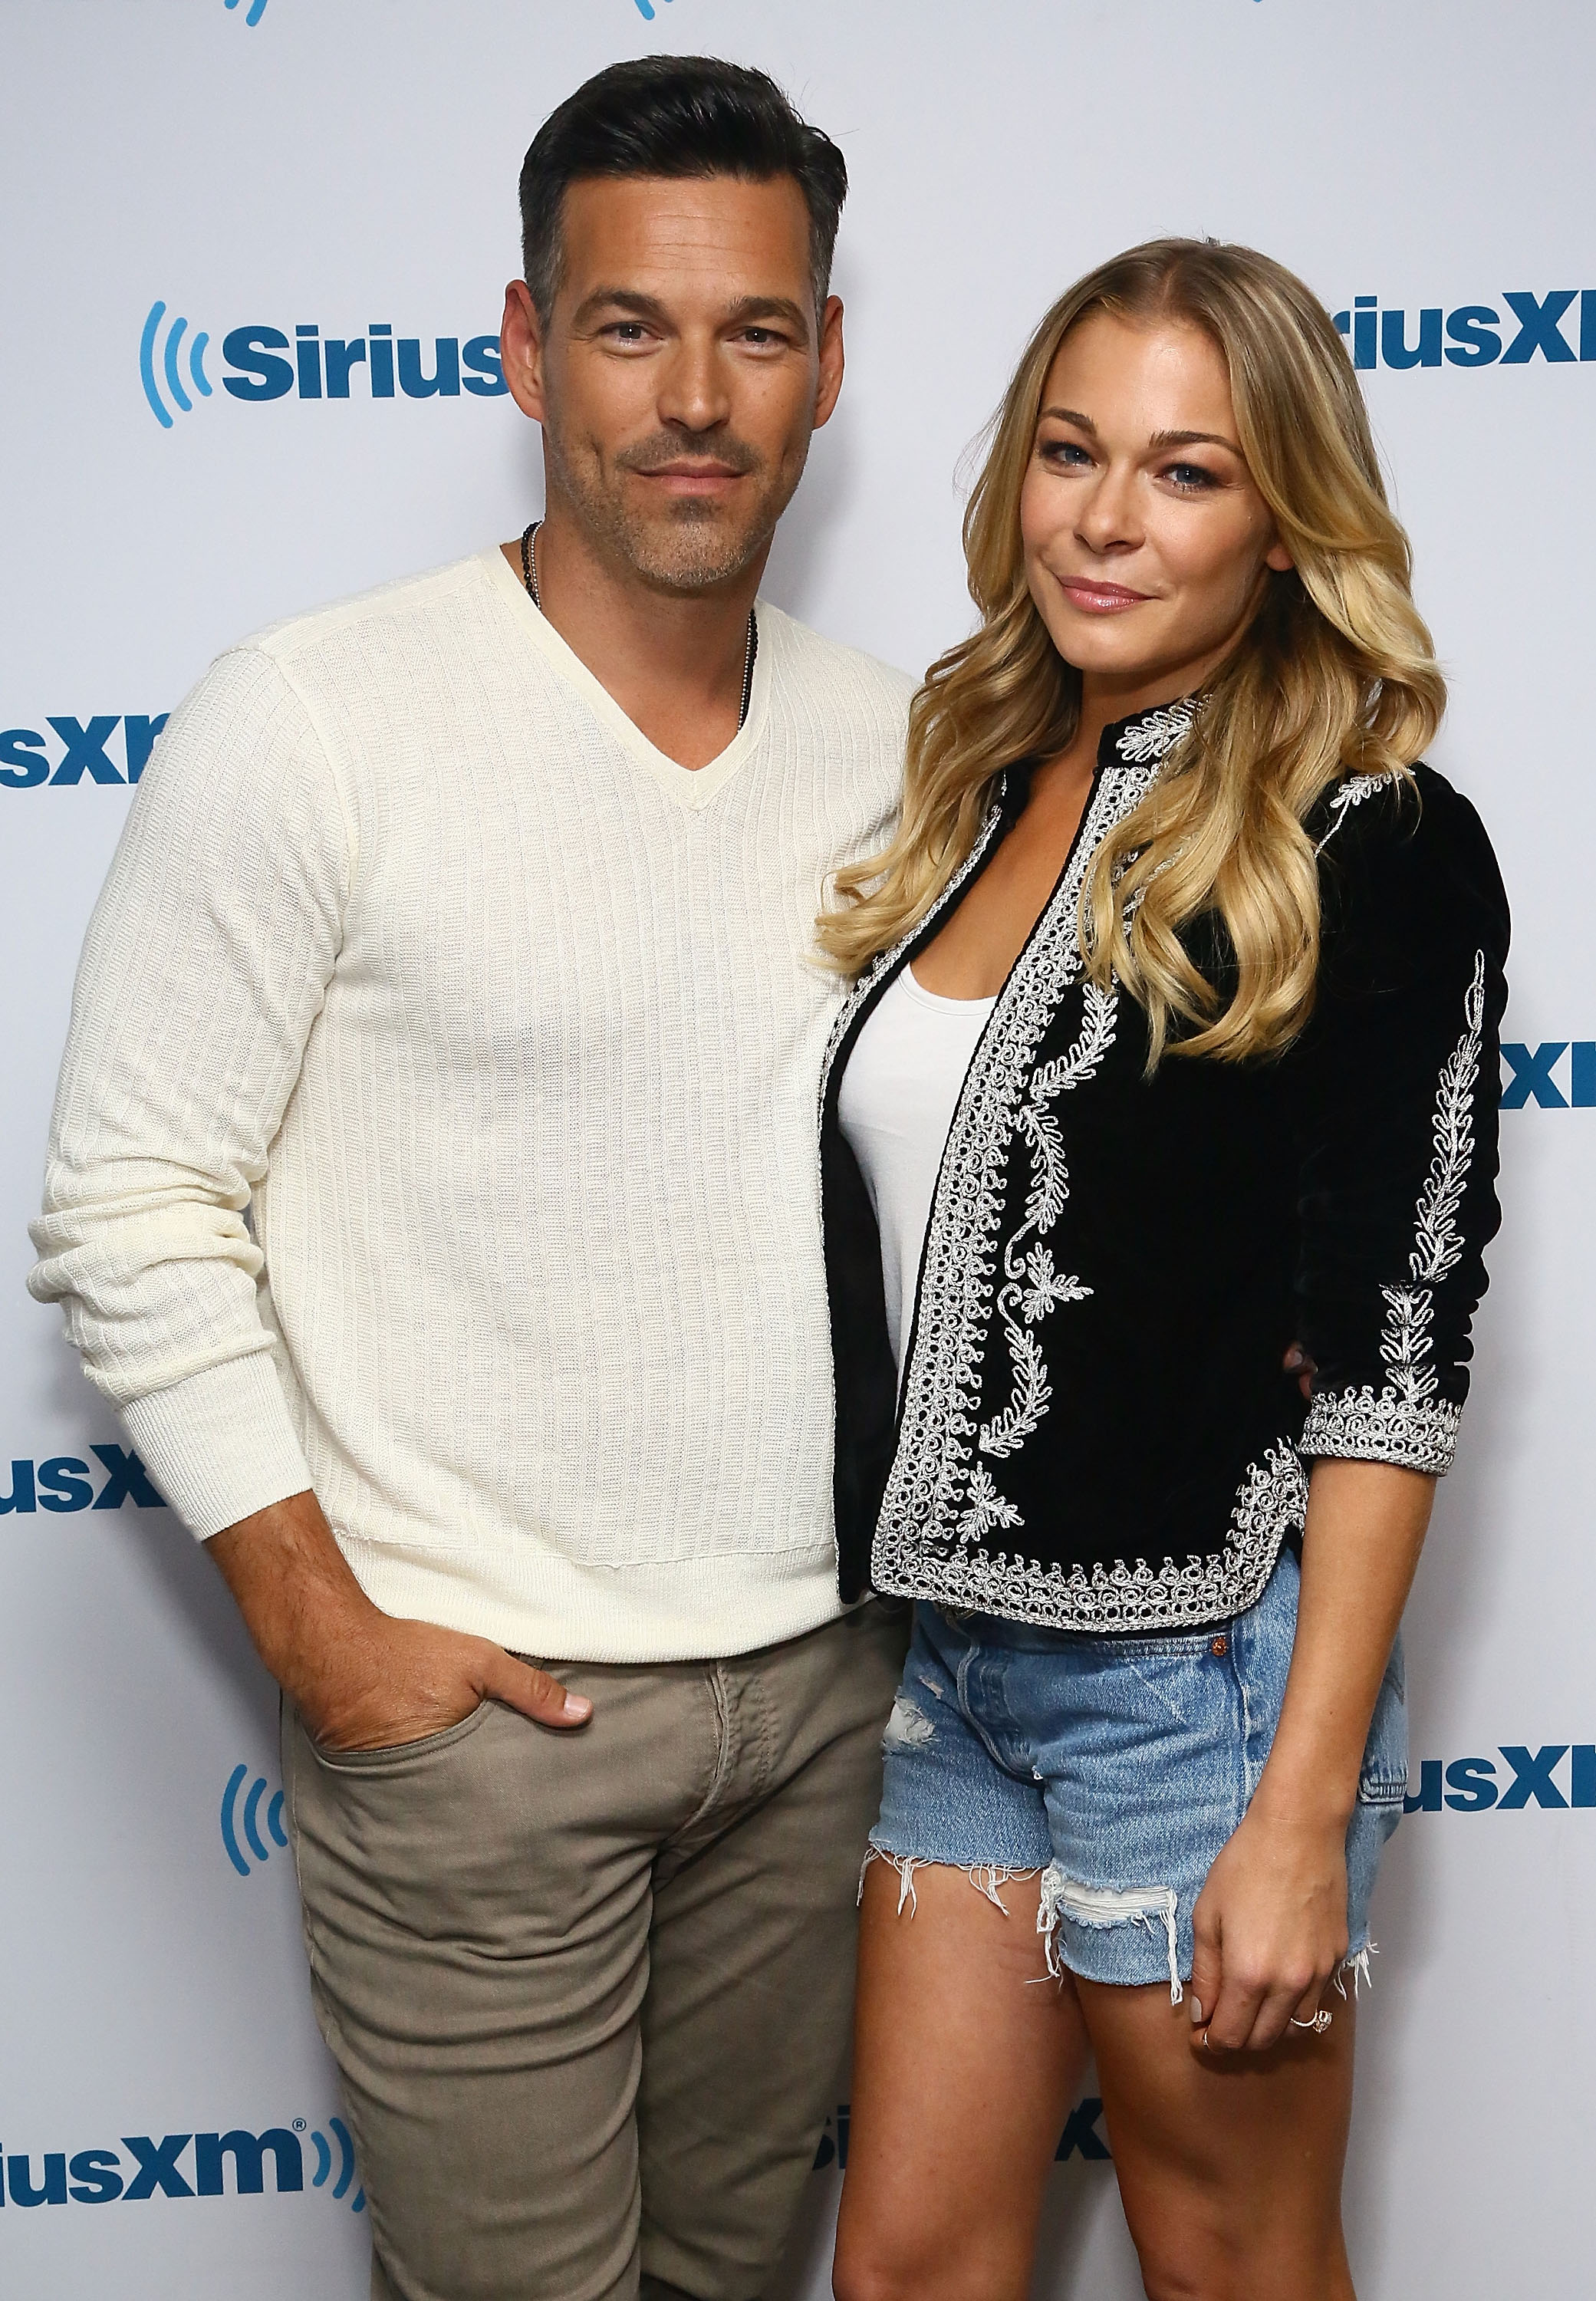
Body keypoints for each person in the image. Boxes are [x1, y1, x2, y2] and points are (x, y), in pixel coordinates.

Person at [29, 56, 913, 2301]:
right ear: (525, 348)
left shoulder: (906, 745)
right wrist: (319, 1631)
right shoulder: (314, 716)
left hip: (827, 1704)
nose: (693, 398)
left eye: (753, 331)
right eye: (627, 327)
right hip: (488, 1730)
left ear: (826, 360)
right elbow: (130, 1203)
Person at [815, 239, 1509, 2301]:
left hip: (1193, 1683)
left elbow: (1393, 1355)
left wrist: (1297, 1812)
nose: (1104, 519)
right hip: (957, 1658)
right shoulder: (976, 780)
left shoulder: (1375, 835)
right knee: (910, 2270)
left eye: (1185, 471)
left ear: (1286, 519)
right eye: (1069, 452)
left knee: (1228, 2263)